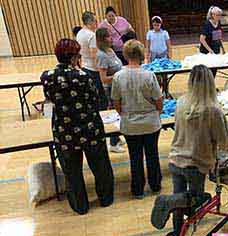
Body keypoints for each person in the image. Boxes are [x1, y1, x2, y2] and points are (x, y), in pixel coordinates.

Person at [40, 39, 114, 215]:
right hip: (89, 128)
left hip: (64, 130)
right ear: (74, 58)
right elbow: (95, 98)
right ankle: (105, 198)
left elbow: (50, 98)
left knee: (72, 171)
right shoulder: (83, 77)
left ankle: (80, 206)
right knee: (100, 166)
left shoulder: (47, 77)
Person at [168, 64, 228, 236]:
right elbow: (225, 142)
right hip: (196, 164)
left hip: (175, 159)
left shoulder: (181, 102)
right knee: (195, 203)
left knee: (179, 199)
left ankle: (177, 232)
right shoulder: (213, 110)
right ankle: (190, 231)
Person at [111, 40, 163, 199]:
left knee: (135, 157)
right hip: (150, 124)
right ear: (141, 55)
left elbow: (116, 103)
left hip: (130, 124)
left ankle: (138, 189)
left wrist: (126, 114)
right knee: (152, 154)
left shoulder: (118, 76)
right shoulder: (149, 75)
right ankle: (155, 185)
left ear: (126, 55)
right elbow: (159, 102)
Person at [96, 28, 125, 153]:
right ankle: (113, 142)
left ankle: (117, 138)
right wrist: (118, 76)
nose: (111, 38)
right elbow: (103, 78)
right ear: (102, 39)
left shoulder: (110, 51)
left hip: (118, 86)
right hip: (111, 89)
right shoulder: (101, 55)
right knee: (116, 114)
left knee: (120, 113)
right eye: (108, 37)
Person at [76, 11, 108, 110]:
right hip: (93, 70)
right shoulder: (91, 35)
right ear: (90, 22)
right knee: (101, 99)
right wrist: (101, 71)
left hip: (85, 66)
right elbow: (94, 55)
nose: (97, 23)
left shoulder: (80, 33)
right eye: (95, 21)